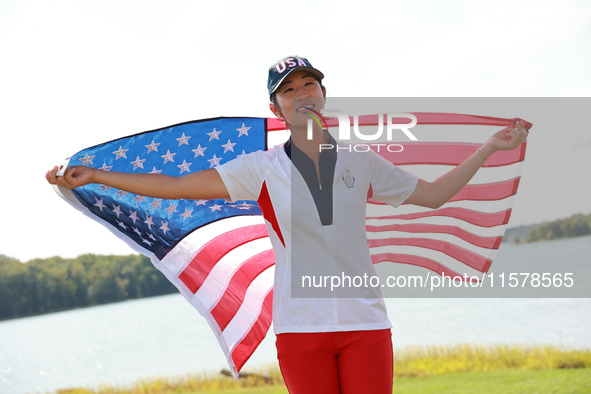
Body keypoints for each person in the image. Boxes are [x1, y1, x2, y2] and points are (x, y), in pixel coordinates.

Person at [47, 56, 528, 393]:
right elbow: (175, 186)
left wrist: (487, 149)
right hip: (300, 332)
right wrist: (97, 176)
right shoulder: (261, 168)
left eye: (309, 85)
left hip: (365, 326)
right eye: (288, 91)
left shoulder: (363, 162)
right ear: (275, 110)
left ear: (324, 95)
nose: (301, 94)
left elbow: (434, 195)